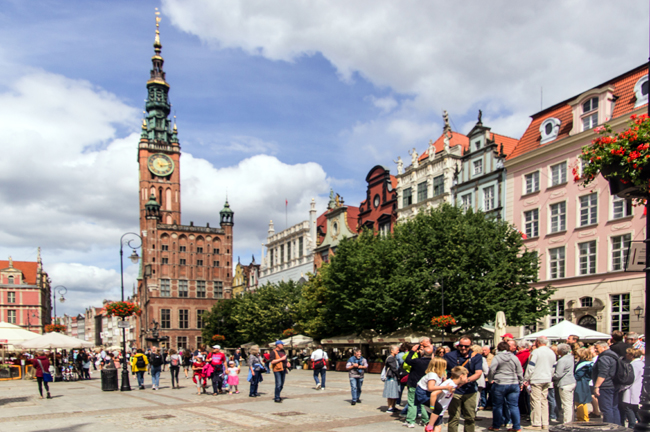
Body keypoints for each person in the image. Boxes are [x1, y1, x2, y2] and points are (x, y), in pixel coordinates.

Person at [444, 336, 483, 432]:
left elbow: (478, 373)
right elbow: (441, 369)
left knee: (470, 417)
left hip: (470, 390)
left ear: (471, 345)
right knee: (454, 417)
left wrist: (465, 381)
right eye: (461, 346)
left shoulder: (476, 357)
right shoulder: (449, 356)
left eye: (466, 346)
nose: (463, 348)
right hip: (454, 390)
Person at [488, 341, 524, 432]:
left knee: (497, 405)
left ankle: (496, 426)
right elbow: (519, 371)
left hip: (500, 383)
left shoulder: (497, 357)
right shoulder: (514, 357)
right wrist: (521, 382)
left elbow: (492, 369)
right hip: (513, 383)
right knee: (514, 406)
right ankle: (517, 427)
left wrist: (490, 379)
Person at [523, 337, 556, 430]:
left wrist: (526, 378)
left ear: (538, 342)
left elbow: (530, 367)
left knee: (535, 401)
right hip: (547, 378)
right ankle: (545, 422)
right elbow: (553, 367)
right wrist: (550, 376)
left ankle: (536, 423)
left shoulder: (536, 352)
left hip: (536, 378)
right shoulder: (551, 352)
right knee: (544, 401)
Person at [425, 366, 470, 432]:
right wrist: (433, 408)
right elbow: (433, 394)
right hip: (436, 410)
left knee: (433, 426)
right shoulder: (449, 385)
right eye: (466, 376)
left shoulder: (453, 384)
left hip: (440, 410)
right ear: (461, 376)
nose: (467, 378)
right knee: (437, 427)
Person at [404, 342, 434, 427]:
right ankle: (426, 420)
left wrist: (412, 351)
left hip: (414, 383)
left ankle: (410, 421)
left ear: (423, 353)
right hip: (425, 385)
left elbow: (407, 360)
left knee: (412, 402)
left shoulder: (417, 361)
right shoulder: (432, 363)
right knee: (423, 403)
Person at [592, 340, 620, 425]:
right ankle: (617, 427)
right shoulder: (614, 355)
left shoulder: (604, 357)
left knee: (606, 409)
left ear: (604, 347)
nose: (595, 350)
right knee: (614, 407)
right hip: (614, 384)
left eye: (597, 348)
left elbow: (602, 373)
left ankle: (609, 427)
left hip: (605, 386)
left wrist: (597, 386)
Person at [620, 348, 643, 427]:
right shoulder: (642, 363)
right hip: (637, 389)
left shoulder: (634, 365)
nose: (626, 355)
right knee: (636, 410)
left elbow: (630, 379)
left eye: (627, 353)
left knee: (629, 408)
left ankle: (632, 426)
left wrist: (622, 388)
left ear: (632, 355)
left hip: (631, 390)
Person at [553, 343, 576, 424]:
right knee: (570, 403)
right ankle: (570, 420)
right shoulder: (571, 357)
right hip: (571, 381)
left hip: (565, 383)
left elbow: (558, 374)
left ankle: (567, 422)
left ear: (560, 351)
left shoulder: (562, 360)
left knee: (566, 404)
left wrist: (551, 376)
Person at [573, 347, 594, 422]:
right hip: (584, 382)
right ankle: (581, 417)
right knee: (580, 401)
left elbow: (578, 375)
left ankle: (583, 418)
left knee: (581, 401)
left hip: (581, 383)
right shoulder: (589, 363)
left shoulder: (584, 365)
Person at [383, 344, 401, 412]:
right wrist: (399, 374)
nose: (398, 351)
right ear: (392, 351)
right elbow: (394, 368)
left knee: (394, 392)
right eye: (397, 350)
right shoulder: (390, 358)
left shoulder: (394, 358)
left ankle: (393, 406)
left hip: (394, 377)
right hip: (391, 377)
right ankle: (390, 407)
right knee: (391, 392)